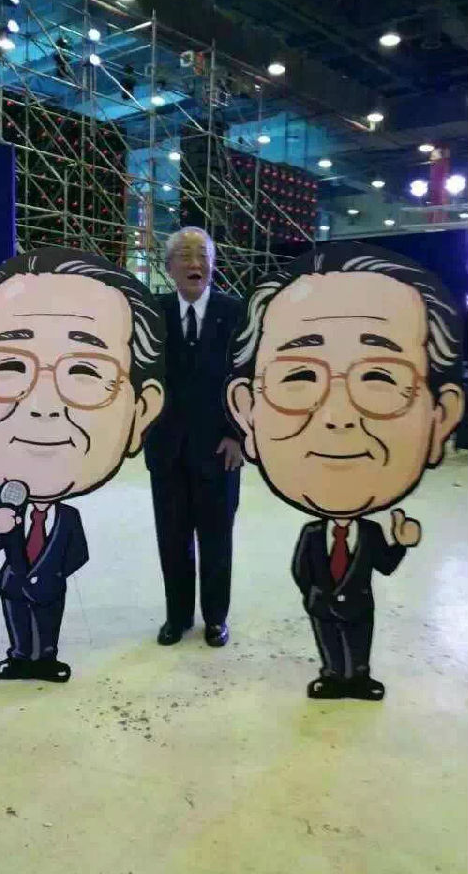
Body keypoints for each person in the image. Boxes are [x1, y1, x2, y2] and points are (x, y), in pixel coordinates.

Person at [227, 243, 464, 700]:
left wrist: (402, 543)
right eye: (299, 376)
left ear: (441, 417)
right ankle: (334, 674)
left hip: (358, 608)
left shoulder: (370, 535)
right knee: (331, 643)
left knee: (357, 643)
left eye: (379, 377)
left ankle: (357, 675)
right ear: (247, 412)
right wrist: (314, 595)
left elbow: (385, 565)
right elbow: (302, 570)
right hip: (323, 607)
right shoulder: (313, 535)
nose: (338, 417)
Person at [0, 247, 165, 682]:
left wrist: (51, 574)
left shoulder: (67, 519)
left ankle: (47, 657)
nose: (43, 405)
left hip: (50, 587)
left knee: (47, 625)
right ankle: (20, 655)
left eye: (85, 371)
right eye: (9, 365)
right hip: (13, 586)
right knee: (19, 623)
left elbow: (78, 553)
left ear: (140, 412)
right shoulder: (8, 507)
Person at [145, 227, 243, 647]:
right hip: (166, 451)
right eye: (184, 255)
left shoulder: (235, 312)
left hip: (220, 451)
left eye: (202, 255)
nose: (194, 263)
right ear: (169, 267)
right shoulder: (153, 313)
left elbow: (248, 376)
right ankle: (177, 617)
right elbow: (139, 375)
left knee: (217, 541)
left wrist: (238, 434)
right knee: (172, 539)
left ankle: (216, 619)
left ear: (213, 264)